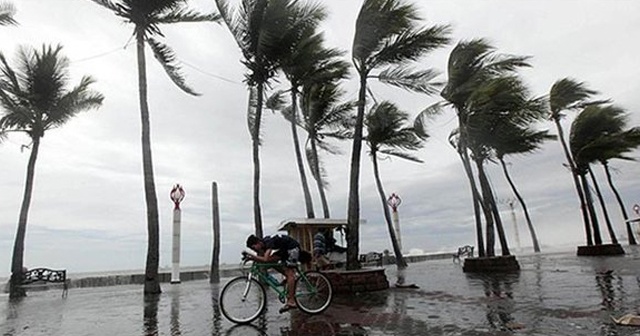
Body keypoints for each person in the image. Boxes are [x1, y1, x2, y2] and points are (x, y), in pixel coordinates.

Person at [244, 234, 300, 313]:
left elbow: (265, 259)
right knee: (271, 261)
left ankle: (291, 301)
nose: (254, 250)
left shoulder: (268, 242)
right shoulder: (263, 246)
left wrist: (252, 257)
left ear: (258, 243)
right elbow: (263, 259)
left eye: (253, 248)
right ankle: (289, 277)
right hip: (284, 249)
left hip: (292, 248)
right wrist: (251, 257)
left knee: (289, 273)